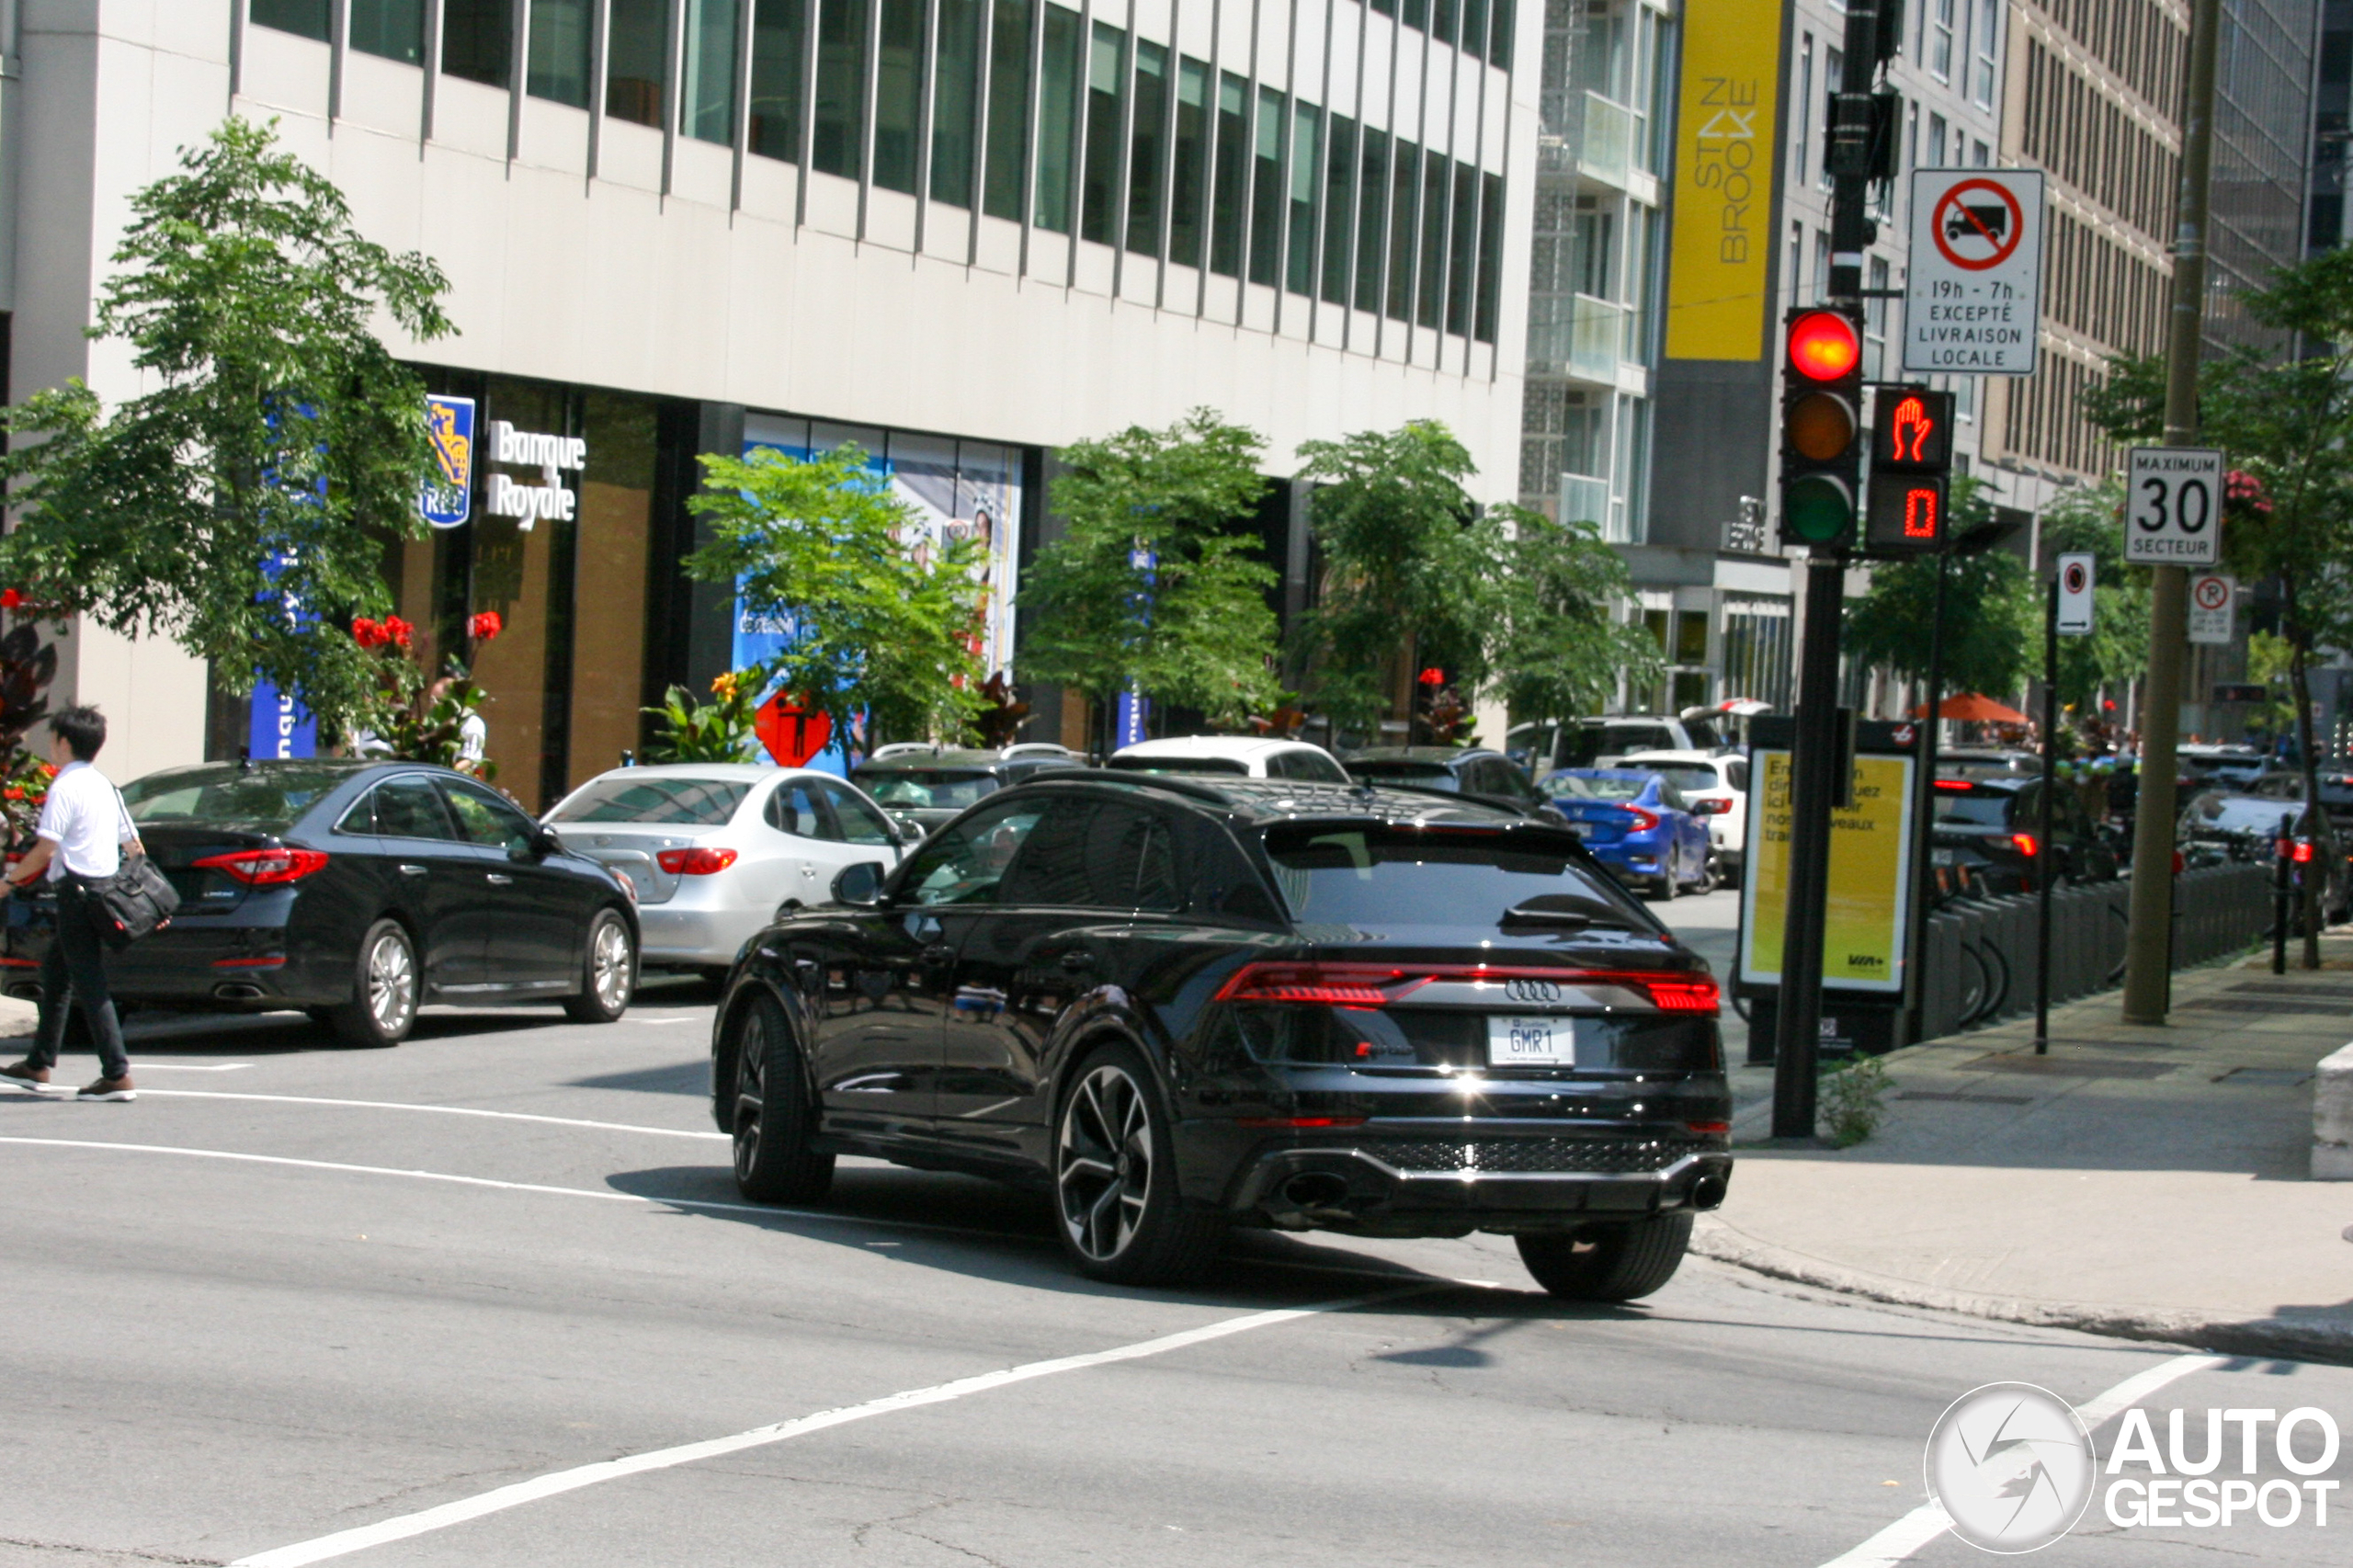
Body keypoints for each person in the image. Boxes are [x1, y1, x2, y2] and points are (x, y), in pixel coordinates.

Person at [0, 706, 139, 1101]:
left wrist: (8, 883)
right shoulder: (104, 785)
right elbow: (133, 844)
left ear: (64, 742)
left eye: (53, 739)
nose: (50, 746)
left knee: (89, 981)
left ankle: (117, 1073)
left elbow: (46, 849)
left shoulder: (65, 786)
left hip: (76, 892)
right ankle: (38, 1063)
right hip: (103, 890)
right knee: (57, 973)